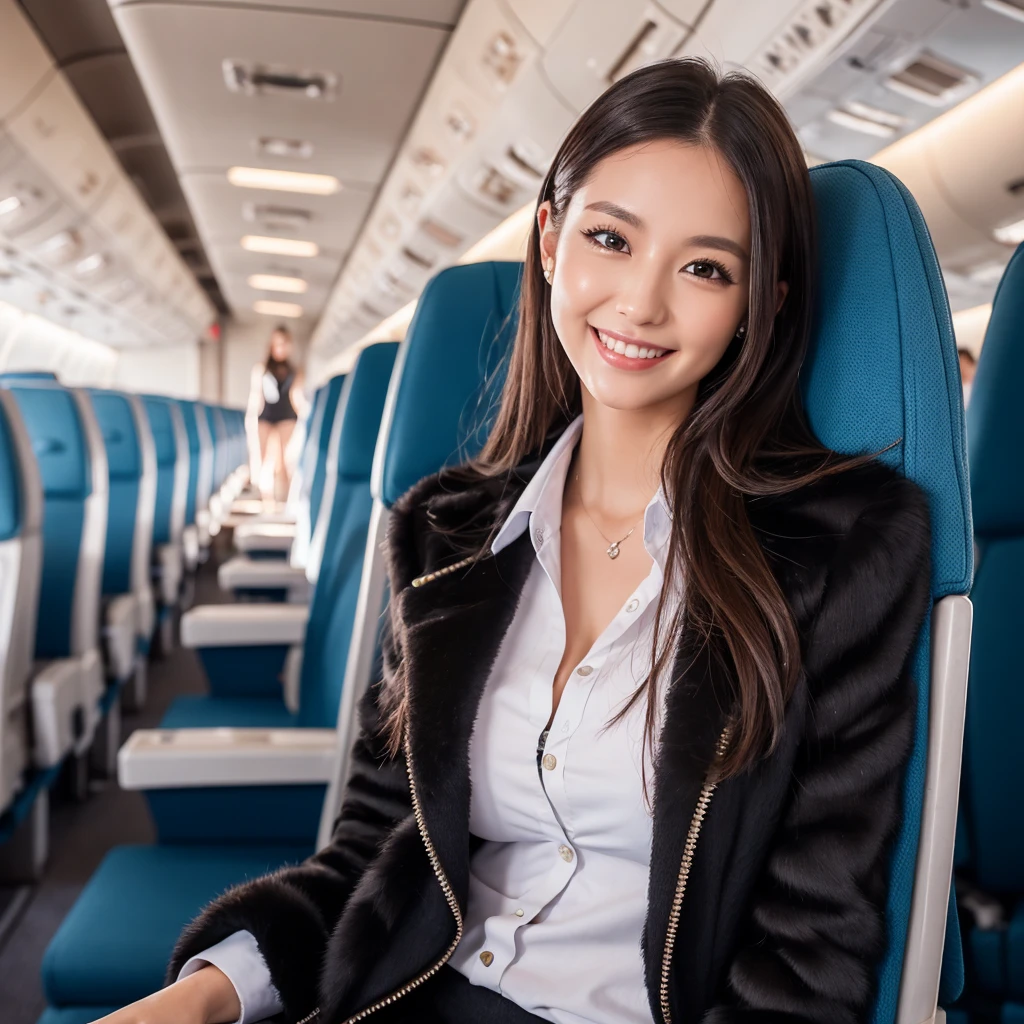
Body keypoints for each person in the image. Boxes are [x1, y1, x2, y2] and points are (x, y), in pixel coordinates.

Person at [96, 58, 932, 1024]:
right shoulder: (449, 534)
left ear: (764, 303)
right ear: (549, 238)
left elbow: (809, 954)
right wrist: (205, 998)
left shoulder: (838, 557)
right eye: (610, 239)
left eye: (706, 268)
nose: (641, 303)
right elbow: (376, 850)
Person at [248, 325, 305, 501]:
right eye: (277, 344)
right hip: (265, 416)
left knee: (283, 462)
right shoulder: (261, 369)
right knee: (263, 459)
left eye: (284, 344)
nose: (280, 348)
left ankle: (284, 500)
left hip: (286, 416)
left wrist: (305, 416)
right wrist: (250, 419)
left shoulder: (295, 371)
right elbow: (256, 396)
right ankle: (265, 499)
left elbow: (297, 397)